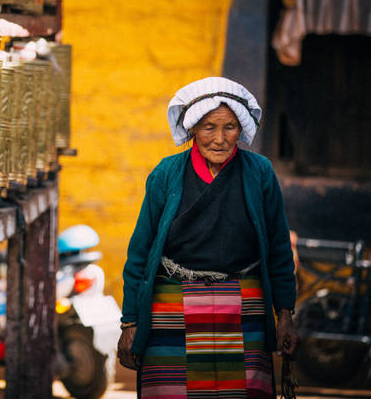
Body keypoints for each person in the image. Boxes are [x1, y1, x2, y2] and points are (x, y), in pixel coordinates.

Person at [118, 77, 299, 398]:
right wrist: (130, 322)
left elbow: (279, 249)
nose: (219, 139)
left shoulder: (259, 172)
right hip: (171, 304)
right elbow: (140, 252)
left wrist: (285, 313)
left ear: (241, 129)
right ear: (192, 130)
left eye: (229, 127)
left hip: (245, 305)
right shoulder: (166, 173)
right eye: (208, 127)